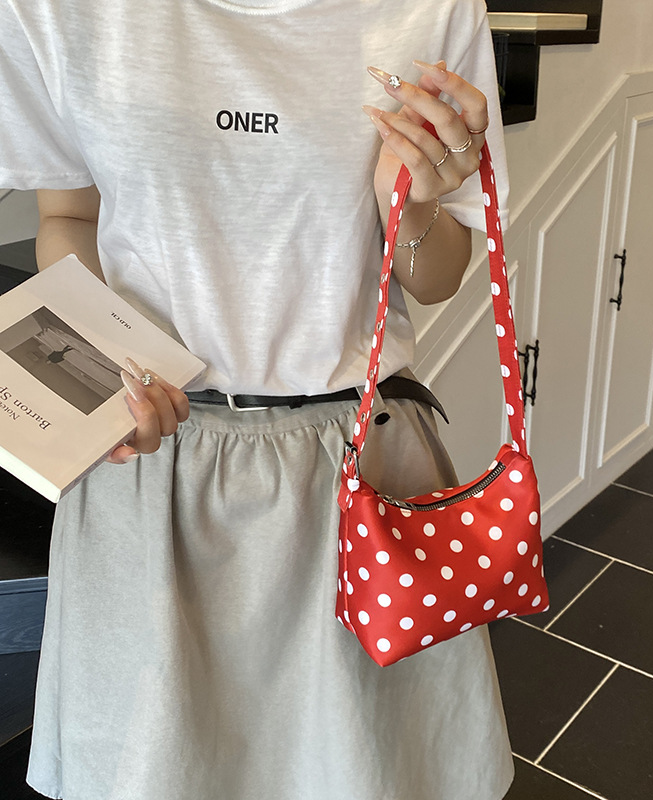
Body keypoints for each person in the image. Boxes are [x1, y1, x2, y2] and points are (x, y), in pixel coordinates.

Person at [0, 0, 515, 797]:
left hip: (358, 471)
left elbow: (437, 276)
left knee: (363, 771)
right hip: (150, 467)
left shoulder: (432, 10)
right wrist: (112, 369)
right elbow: (68, 215)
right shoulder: (52, 10)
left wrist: (410, 203)